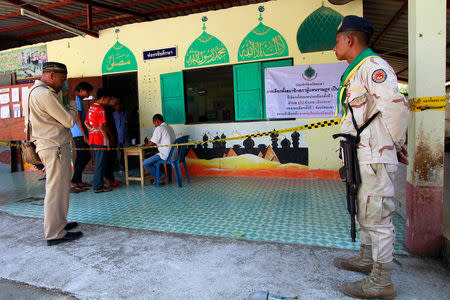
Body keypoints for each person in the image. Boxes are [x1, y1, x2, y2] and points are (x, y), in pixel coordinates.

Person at [332, 15, 409, 299]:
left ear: (349, 39)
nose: (335, 46)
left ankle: (381, 281)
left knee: (378, 217)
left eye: (337, 40)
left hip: (375, 155)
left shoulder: (374, 67)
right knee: (364, 209)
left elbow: (395, 107)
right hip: (360, 155)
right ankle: (366, 258)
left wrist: (394, 145)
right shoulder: (357, 70)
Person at [24, 62, 82, 246]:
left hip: (49, 145)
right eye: (62, 80)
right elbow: (69, 121)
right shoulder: (45, 94)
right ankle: (54, 233)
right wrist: (73, 103)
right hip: (54, 146)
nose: (63, 84)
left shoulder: (33, 91)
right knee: (56, 190)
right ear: (50, 76)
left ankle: (60, 224)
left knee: (60, 188)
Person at [85, 89, 113, 193]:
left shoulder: (91, 107)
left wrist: (91, 129)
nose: (109, 102)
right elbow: (102, 126)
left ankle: (99, 184)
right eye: (108, 99)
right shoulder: (100, 109)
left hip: (93, 140)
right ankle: (98, 186)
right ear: (103, 98)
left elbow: (86, 122)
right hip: (100, 140)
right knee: (100, 164)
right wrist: (108, 139)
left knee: (98, 163)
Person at [70, 82, 93, 193]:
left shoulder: (77, 100)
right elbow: (78, 119)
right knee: (83, 157)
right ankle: (74, 181)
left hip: (78, 133)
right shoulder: (77, 100)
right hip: (79, 133)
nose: (88, 95)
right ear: (81, 90)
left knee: (83, 157)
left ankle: (78, 180)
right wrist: (85, 135)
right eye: (87, 92)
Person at [142, 114, 176, 185]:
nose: (155, 126)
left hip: (166, 155)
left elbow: (151, 142)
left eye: (155, 124)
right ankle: (161, 177)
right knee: (157, 160)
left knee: (145, 163)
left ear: (157, 121)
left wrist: (142, 146)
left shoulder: (159, 128)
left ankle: (161, 177)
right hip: (173, 154)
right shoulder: (170, 128)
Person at [101, 91, 121, 188]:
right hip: (109, 137)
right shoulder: (104, 109)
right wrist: (111, 136)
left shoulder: (109, 109)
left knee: (111, 159)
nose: (116, 104)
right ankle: (109, 180)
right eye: (115, 102)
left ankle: (110, 178)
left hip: (112, 136)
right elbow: (105, 125)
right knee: (108, 159)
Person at [113, 99, 130, 171]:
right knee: (118, 154)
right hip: (117, 138)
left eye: (120, 104)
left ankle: (126, 167)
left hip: (125, 137)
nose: (118, 106)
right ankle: (121, 168)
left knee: (126, 153)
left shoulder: (126, 114)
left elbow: (129, 124)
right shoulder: (113, 114)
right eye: (116, 105)